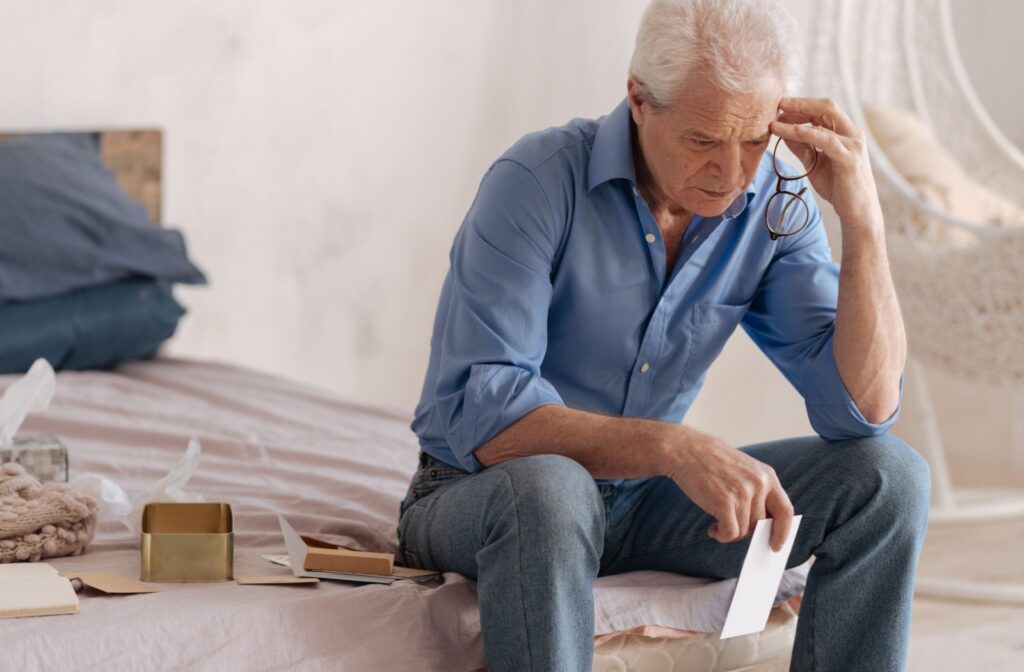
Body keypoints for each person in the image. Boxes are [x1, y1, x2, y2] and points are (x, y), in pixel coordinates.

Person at [397, 0, 931, 669]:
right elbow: (488, 413)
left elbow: (864, 410)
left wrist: (863, 222)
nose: (731, 173)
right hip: (480, 491)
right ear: (638, 99)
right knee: (552, 490)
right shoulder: (535, 182)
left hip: (641, 502)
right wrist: (673, 447)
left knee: (892, 478)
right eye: (704, 141)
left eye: (753, 141)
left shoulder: (771, 205)